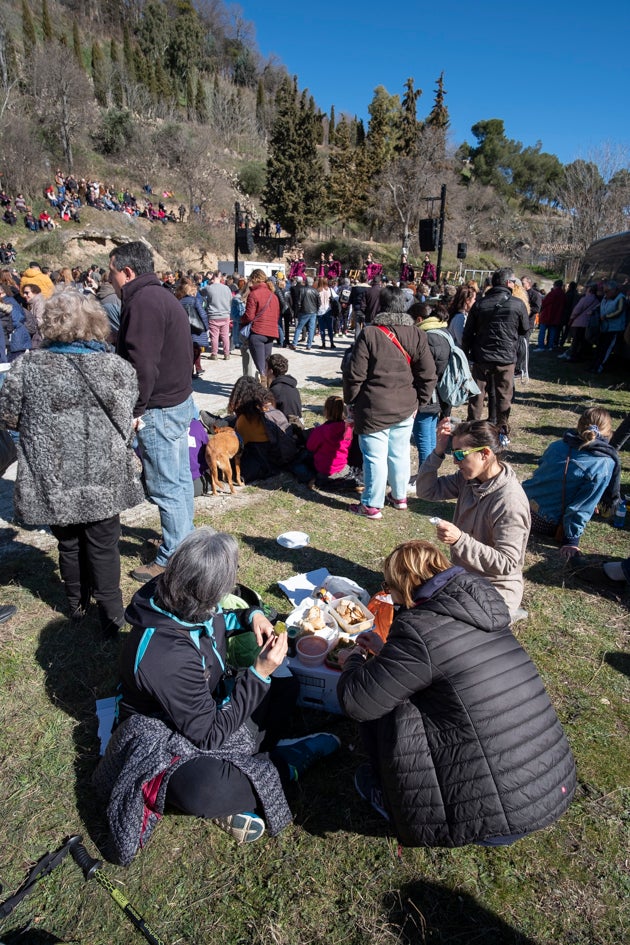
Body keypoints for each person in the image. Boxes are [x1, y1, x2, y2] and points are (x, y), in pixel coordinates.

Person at [94, 529, 339, 862]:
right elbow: (207, 734)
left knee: (286, 688)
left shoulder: (179, 599)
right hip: (162, 731)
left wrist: (248, 615)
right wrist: (258, 674)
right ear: (204, 594)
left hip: (202, 706)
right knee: (206, 790)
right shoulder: (164, 655)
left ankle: (249, 767)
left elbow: (215, 623)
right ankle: (284, 762)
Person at [336, 540, 576, 847]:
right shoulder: (476, 607)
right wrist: (386, 653)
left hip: (497, 816)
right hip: (550, 783)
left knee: (389, 709)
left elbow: (358, 701)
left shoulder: (418, 627)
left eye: (388, 585)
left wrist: (352, 660)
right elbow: (448, 663)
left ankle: (388, 795)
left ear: (404, 584)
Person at [0, 288, 144, 635]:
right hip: (103, 472)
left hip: (53, 474)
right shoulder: (117, 368)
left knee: (67, 541)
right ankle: (111, 615)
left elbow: (7, 414)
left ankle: (76, 604)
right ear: (96, 323)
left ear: (49, 324)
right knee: (104, 544)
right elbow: (127, 418)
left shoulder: (27, 367)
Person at [110, 241, 195, 582]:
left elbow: (142, 364)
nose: (109, 278)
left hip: (160, 408)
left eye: (111, 271)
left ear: (127, 271)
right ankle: (182, 542)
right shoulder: (158, 295)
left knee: (166, 485)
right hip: (174, 402)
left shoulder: (143, 301)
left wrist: (136, 409)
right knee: (178, 480)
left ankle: (173, 555)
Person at [416, 418, 531, 617]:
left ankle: (508, 614)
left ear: (485, 454)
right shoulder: (469, 479)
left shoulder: (509, 501)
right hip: (464, 578)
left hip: (496, 590)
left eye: (460, 454)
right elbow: (426, 491)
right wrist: (438, 452)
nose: (455, 461)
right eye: (453, 453)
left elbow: (507, 563)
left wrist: (460, 540)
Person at [343, 286, 436, 518]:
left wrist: (350, 401)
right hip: (405, 405)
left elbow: (355, 374)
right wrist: (419, 402)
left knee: (375, 457)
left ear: (381, 305)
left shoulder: (370, 333)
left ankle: (372, 504)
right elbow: (428, 374)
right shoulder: (417, 334)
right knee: (400, 453)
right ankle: (399, 496)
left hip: (374, 406)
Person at [522, 407, 620, 559]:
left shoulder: (557, 445)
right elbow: (581, 508)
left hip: (521, 503)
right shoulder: (604, 464)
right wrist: (571, 540)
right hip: (544, 520)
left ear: (579, 425)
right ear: (608, 433)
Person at [461, 267, 529, 439]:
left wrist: (466, 355)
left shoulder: (480, 304)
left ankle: (472, 429)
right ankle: (502, 431)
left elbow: (468, 332)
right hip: (506, 358)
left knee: (477, 394)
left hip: (481, 356)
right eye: (513, 281)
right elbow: (524, 330)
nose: (514, 284)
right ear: (508, 283)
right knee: (504, 395)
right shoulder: (518, 304)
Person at [240, 269, 279, 378]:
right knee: (267, 364)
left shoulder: (254, 294)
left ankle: (262, 386)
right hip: (271, 332)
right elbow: (277, 315)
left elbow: (249, 316)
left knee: (260, 366)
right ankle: (268, 387)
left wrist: (241, 319)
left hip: (258, 331)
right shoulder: (273, 295)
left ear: (254, 279)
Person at [175, 276, 208, 378]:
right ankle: (196, 369)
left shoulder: (178, 302)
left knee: (188, 351)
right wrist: (206, 327)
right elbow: (202, 314)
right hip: (196, 329)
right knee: (196, 349)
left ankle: (190, 371)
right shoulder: (195, 301)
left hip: (184, 330)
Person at [591, 281, 627, 373]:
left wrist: (606, 316)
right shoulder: (606, 297)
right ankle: (594, 364)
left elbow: (619, 311)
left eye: (607, 291)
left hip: (614, 328)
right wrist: (594, 310)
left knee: (607, 348)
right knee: (600, 347)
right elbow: (600, 306)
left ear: (614, 290)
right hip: (604, 327)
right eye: (604, 291)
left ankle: (599, 366)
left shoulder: (621, 298)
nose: (605, 293)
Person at [201, 270, 232, 361]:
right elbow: (230, 300)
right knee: (225, 335)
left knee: (214, 336)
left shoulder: (209, 288)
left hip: (213, 315)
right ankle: (226, 353)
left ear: (213, 277)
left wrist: (209, 283)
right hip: (225, 315)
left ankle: (214, 354)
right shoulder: (227, 288)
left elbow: (201, 292)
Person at [266, 353, 302, 422]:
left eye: (266, 368)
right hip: (298, 423)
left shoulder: (275, 390)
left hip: (287, 427)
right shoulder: (292, 385)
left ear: (270, 371)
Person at [289, 276, 319, 351]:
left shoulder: (302, 290)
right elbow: (319, 302)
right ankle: (309, 345)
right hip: (313, 311)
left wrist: (299, 310)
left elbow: (299, 302)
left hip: (304, 311)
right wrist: (316, 309)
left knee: (299, 327)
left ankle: (294, 343)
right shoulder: (315, 291)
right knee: (311, 329)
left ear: (305, 282)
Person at [534, 280, 565, 351]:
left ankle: (541, 346)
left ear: (555, 285)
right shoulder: (563, 294)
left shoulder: (553, 293)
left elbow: (545, 302)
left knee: (542, 331)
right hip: (556, 316)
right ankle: (550, 346)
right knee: (552, 332)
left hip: (548, 315)